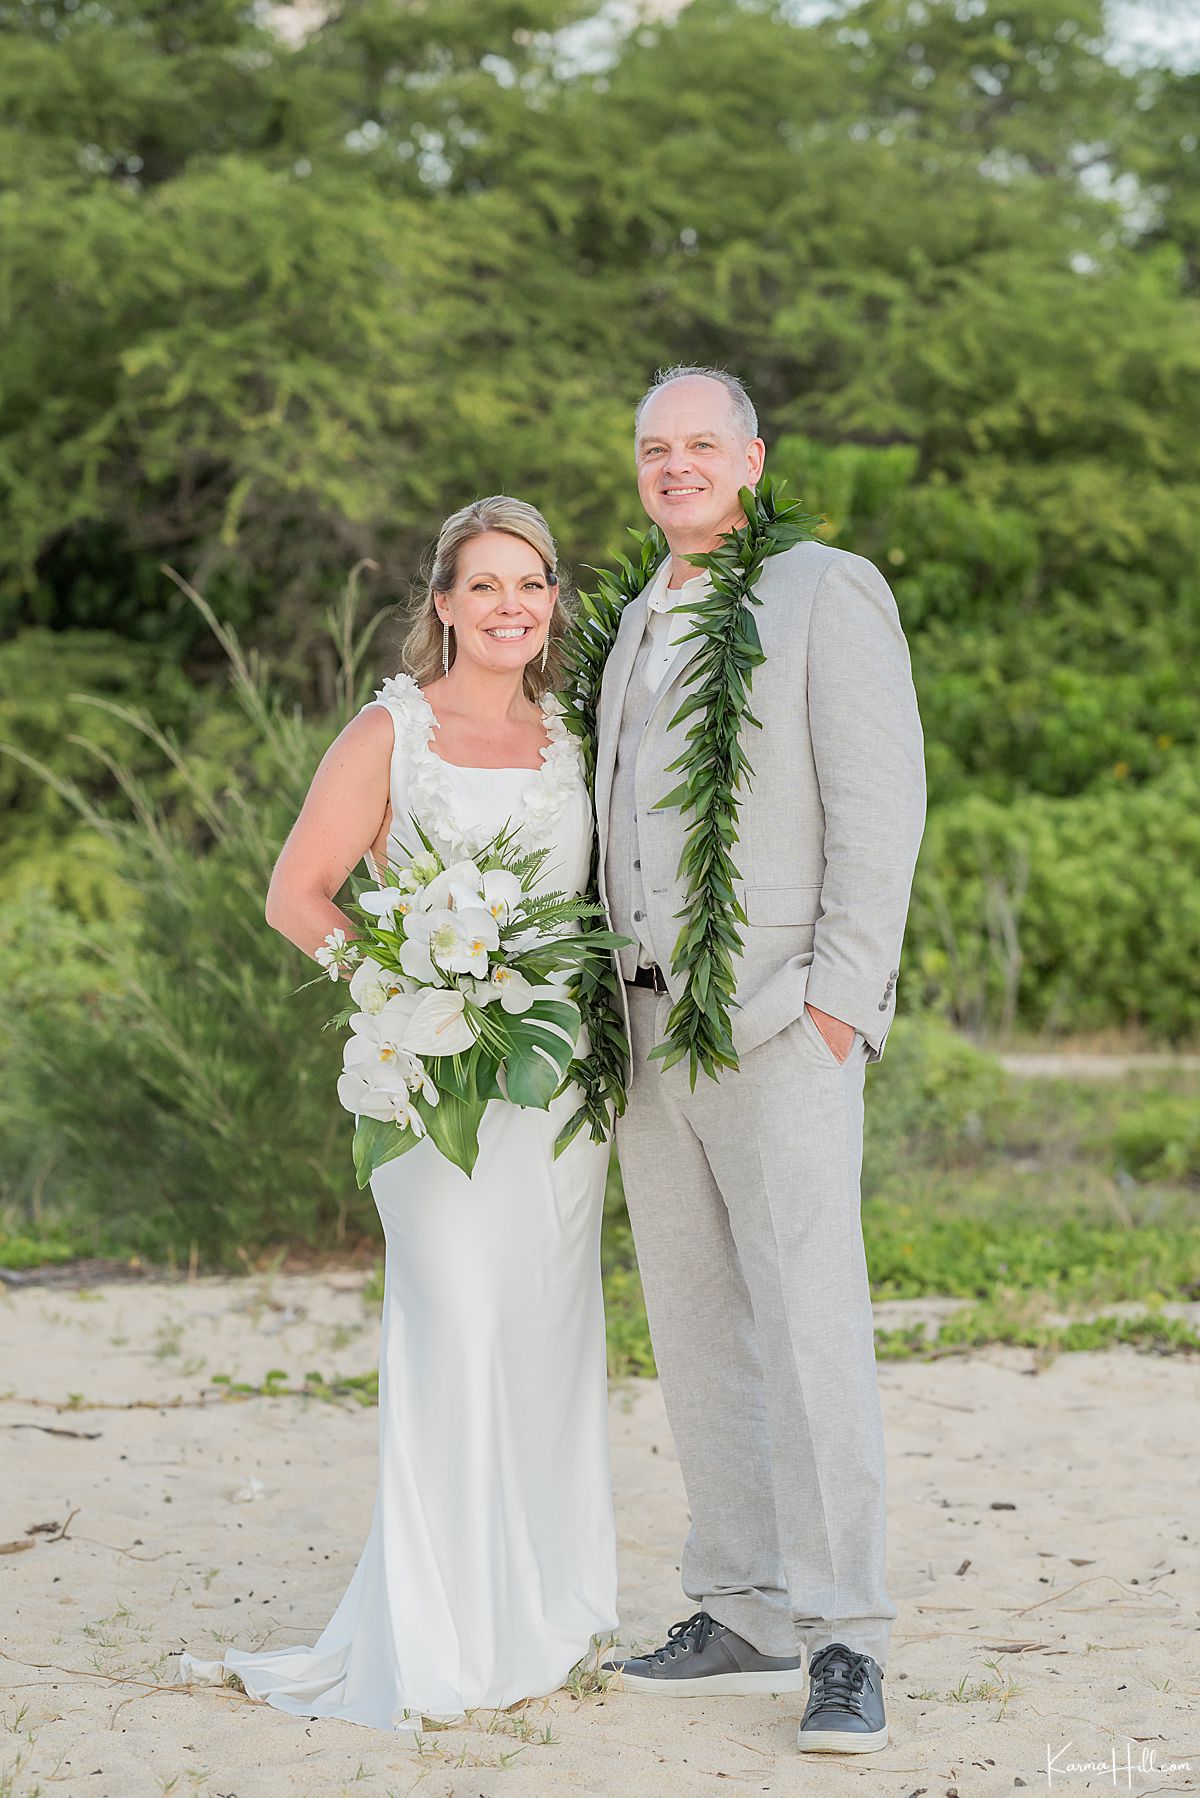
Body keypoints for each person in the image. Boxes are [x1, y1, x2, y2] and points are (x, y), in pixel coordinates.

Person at [174, 497, 618, 1732]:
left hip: (554, 1088)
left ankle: (546, 1610)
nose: (509, 606)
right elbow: (297, 895)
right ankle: (438, 1631)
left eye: (529, 585)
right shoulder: (391, 730)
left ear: (551, 604)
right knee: (455, 1323)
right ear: (442, 604)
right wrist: (398, 989)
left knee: (545, 1331)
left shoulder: (577, 737)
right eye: (483, 586)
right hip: (430, 1088)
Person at [595, 367, 927, 1754]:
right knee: (692, 1318)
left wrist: (842, 1000)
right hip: (645, 1031)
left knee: (811, 1324)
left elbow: (881, 797)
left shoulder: (822, 589)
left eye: (700, 447)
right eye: (655, 450)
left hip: (780, 1019)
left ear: (751, 458)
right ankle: (741, 1602)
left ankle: (846, 1636)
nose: (676, 467)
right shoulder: (624, 622)